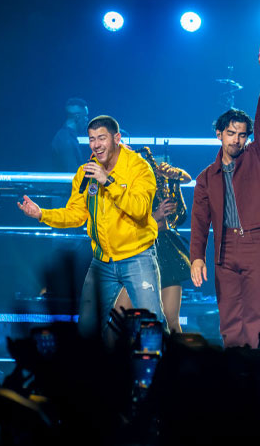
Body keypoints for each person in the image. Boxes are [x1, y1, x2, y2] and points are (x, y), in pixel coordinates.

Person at [18, 115, 164, 336]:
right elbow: (76, 214)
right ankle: (93, 370)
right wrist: (42, 214)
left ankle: (166, 367)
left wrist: (109, 182)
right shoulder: (85, 173)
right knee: (87, 327)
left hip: (137, 256)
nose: (96, 144)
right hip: (102, 261)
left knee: (152, 323)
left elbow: (140, 209)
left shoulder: (138, 168)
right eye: (92, 139)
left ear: (117, 138)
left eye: (101, 138)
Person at [189, 40, 260, 348]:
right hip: (224, 249)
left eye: (242, 134)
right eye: (231, 133)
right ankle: (233, 386)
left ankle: (256, 388)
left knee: (257, 323)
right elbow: (200, 220)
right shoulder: (206, 177)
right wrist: (197, 258)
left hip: (257, 243)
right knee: (229, 322)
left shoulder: (258, 156)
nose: (237, 139)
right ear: (219, 134)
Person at [114, 158, 193, 333]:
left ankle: (178, 358)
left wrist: (173, 172)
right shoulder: (120, 185)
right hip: (140, 248)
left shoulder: (154, 177)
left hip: (164, 246)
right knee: (119, 317)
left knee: (171, 320)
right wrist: (154, 216)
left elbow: (187, 178)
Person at [51, 98, 90, 172]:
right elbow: (72, 171)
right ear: (77, 117)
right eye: (85, 116)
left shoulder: (66, 136)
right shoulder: (66, 140)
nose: (87, 119)